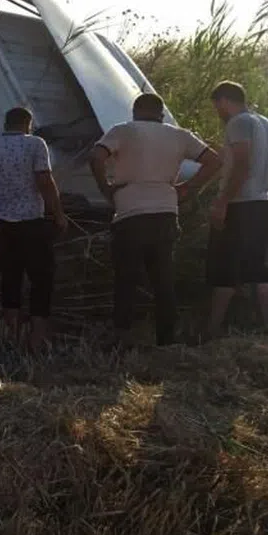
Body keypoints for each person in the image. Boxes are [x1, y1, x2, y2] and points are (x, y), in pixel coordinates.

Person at [89, 93, 222, 347]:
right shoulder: (179, 135)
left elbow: (96, 156)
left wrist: (106, 189)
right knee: (163, 279)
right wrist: (187, 188)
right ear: (161, 114)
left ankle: (123, 339)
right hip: (165, 212)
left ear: (135, 112)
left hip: (129, 213)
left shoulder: (123, 131)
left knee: (126, 279)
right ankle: (166, 341)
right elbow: (214, 161)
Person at [0, 106, 68, 349]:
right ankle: (37, 334)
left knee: (10, 274)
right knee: (41, 276)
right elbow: (44, 180)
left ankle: (12, 330)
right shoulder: (35, 144)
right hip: (31, 220)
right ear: (27, 124)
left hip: (0, 220)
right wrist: (58, 213)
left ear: (6, 123)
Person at [205, 80, 268, 337]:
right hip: (261, 202)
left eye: (217, 107)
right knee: (258, 265)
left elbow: (242, 165)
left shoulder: (238, 123)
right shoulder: (266, 124)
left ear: (224, 101)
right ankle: (266, 326)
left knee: (225, 264)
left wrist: (222, 202)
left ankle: (212, 329)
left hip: (240, 204)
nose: (218, 113)